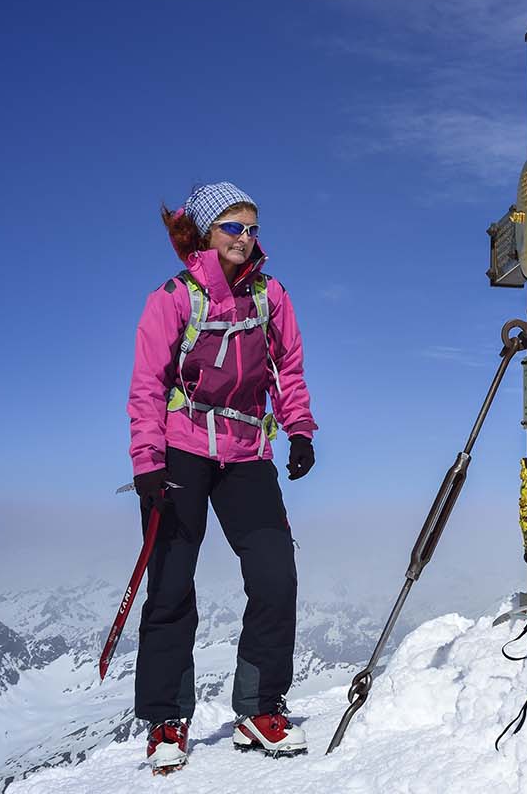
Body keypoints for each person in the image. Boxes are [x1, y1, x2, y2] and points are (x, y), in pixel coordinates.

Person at [126, 182, 317, 774]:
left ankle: (260, 708)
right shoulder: (175, 297)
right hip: (181, 449)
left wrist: (301, 428)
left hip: (247, 451)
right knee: (172, 585)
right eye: (233, 226)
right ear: (206, 232)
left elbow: (289, 366)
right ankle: (165, 719)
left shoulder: (271, 295)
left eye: (252, 227)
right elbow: (148, 384)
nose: (245, 237)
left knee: (275, 575)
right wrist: (147, 461)